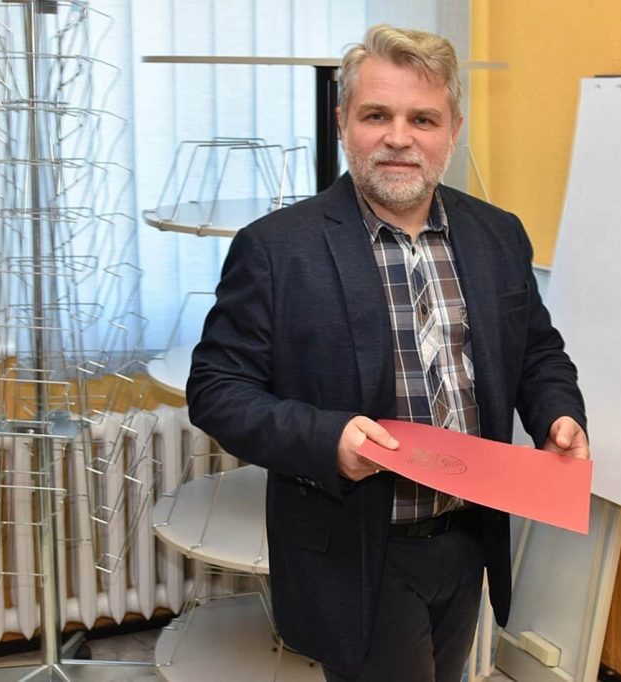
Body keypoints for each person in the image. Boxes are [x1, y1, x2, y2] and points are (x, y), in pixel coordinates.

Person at [186, 24, 588, 682]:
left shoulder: (497, 234)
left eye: (422, 119)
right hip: (357, 554)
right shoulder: (277, 249)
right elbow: (217, 391)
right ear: (343, 121)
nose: (399, 137)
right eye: (377, 115)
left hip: (467, 540)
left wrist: (558, 413)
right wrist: (330, 440)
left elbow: (537, 352)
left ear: (453, 131)